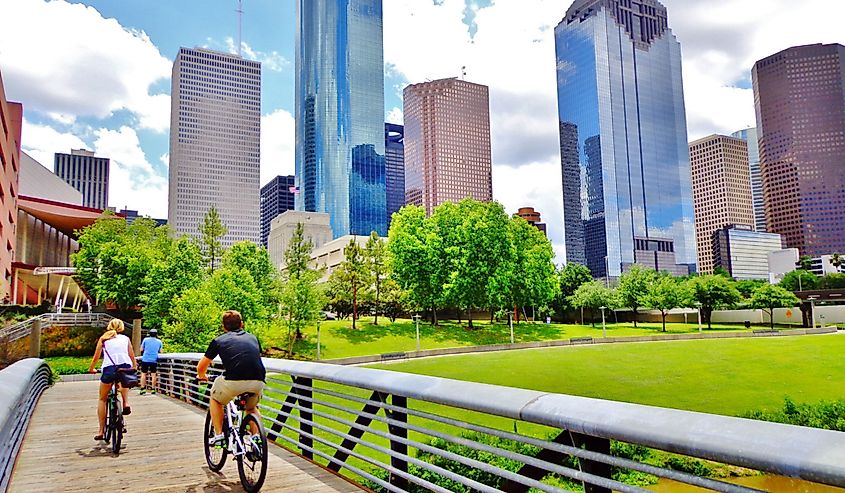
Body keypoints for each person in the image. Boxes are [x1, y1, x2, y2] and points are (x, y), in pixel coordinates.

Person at [197, 310, 265, 446]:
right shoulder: (253, 338)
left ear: (224, 326)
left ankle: (219, 435)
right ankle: (256, 437)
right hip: (258, 380)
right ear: (242, 324)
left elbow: (201, 366)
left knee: (215, 399)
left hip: (233, 381)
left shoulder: (219, 340)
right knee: (251, 408)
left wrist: (202, 376)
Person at [88, 318, 137, 441]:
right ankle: (126, 403)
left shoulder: (104, 338)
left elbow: (96, 357)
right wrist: (134, 367)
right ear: (121, 327)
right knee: (123, 382)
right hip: (124, 368)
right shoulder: (126, 339)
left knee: (102, 399)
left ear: (109, 326)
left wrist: (91, 369)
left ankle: (101, 431)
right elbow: (131, 355)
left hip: (109, 369)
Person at [139, 328, 163, 395]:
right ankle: (153, 389)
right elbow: (161, 351)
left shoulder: (145, 340)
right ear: (156, 334)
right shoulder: (159, 341)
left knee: (143, 374)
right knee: (153, 374)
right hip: (154, 359)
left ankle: (143, 389)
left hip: (145, 359)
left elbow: (141, 349)